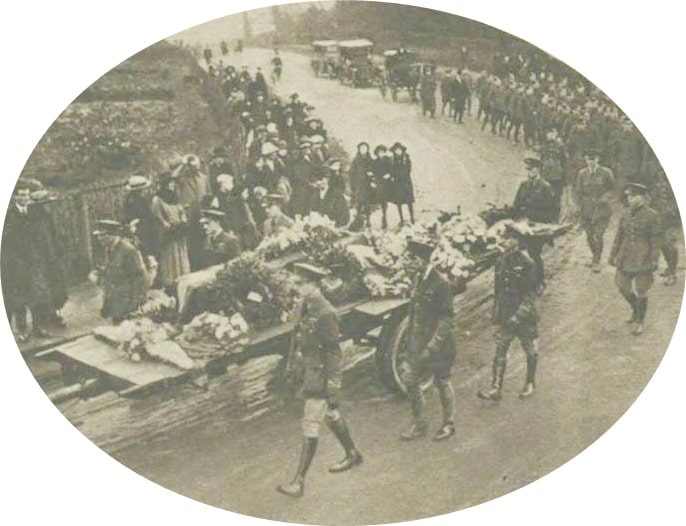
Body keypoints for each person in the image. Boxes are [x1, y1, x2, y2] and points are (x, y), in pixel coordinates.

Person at [277, 263, 363, 498]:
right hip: (309, 370)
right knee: (331, 415)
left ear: (314, 285)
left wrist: (333, 389)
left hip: (321, 376)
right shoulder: (306, 305)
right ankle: (353, 453)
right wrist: (292, 363)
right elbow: (297, 335)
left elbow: (334, 354)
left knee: (310, 423)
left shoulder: (325, 312)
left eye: (300, 283)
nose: (296, 287)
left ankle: (298, 482)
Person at [400, 240, 463, 441]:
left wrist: (432, 347)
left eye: (410, 259)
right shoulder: (419, 278)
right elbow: (414, 315)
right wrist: (410, 343)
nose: (406, 262)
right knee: (410, 380)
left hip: (439, 346)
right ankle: (420, 424)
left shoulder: (440, 283)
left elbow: (446, 320)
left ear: (420, 260)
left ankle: (448, 424)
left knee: (442, 382)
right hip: (419, 344)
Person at [478, 222, 540, 401]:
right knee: (500, 351)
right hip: (506, 315)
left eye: (507, 238)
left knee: (530, 350)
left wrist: (519, 315)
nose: (503, 241)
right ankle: (496, 388)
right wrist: (496, 314)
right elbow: (498, 292)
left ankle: (529, 383)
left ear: (517, 241)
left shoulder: (527, 263)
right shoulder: (501, 261)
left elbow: (530, 294)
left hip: (524, 316)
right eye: (503, 238)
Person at [1, 183, 60, 340]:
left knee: (37, 296)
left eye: (26, 195)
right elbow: (7, 242)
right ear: (14, 197)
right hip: (15, 264)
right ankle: (21, 330)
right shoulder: (9, 215)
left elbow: (38, 237)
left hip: (33, 262)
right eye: (21, 195)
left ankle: (38, 327)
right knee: (19, 298)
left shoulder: (33, 213)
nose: (24, 198)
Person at [609, 183, 662, 336]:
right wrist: (613, 255)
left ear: (642, 198)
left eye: (634, 196)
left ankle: (639, 321)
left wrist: (654, 259)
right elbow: (619, 236)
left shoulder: (652, 215)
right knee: (621, 285)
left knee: (641, 290)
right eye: (629, 196)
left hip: (643, 257)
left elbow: (656, 240)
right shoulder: (625, 214)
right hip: (625, 256)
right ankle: (635, 309)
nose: (630, 199)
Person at [91, 220, 154, 323]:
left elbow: (140, 279)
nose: (99, 239)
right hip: (116, 303)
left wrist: (134, 306)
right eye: (99, 236)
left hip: (128, 305)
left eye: (103, 235)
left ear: (113, 235)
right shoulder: (109, 248)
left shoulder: (128, 251)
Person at [512, 158, 557, 293]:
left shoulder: (545, 187)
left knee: (534, 254)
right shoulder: (523, 185)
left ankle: (539, 282)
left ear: (538, 170)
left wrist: (538, 221)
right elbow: (516, 204)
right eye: (528, 170)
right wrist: (518, 218)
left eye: (532, 170)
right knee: (522, 253)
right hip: (524, 226)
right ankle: (526, 282)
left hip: (538, 227)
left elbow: (552, 210)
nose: (529, 172)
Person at [574, 149, 615, 272]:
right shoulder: (582, 173)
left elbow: (613, 189)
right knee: (590, 236)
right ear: (585, 160)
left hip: (602, 210)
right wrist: (578, 207)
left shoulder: (606, 172)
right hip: (587, 211)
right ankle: (594, 256)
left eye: (593, 159)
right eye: (588, 159)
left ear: (598, 160)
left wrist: (605, 198)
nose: (590, 162)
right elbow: (577, 192)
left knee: (598, 235)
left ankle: (597, 260)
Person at [152, 172, 191, 286]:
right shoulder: (158, 199)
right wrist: (168, 225)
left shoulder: (174, 197)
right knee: (170, 255)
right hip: (168, 232)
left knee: (181, 252)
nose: (172, 185)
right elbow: (158, 216)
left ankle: (183, 277)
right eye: (169, 183)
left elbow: (181, 210)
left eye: (173, 182)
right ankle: (171, 281)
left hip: (178, 230)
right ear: (164, 184)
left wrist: (183, 221)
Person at [172, 154, 211, 270]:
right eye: (193, 165)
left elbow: (208, 194)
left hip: (201, 213)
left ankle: (203, 264)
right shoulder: (183, 178)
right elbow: (174, 176)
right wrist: (183, 163)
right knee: (190, 241)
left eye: (197, 165)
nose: (196, 167)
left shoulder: (203, 178)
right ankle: (191, 266)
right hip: (189, 214)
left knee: (202, 239)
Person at [122, 176, 158, 258]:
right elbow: (146, 217)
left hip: (134, 229)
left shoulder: (128, 200)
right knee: (146, 252)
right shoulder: (140, 201)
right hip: (143, 230)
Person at [349, 142, 374, 230]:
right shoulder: (356, 160)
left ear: (367, 150)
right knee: (359, 203)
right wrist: (353, 185)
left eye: (365, 149)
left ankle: (368, 220)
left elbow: (373, 170)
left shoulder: (370, 160)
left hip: (367, 185)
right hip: (359, 185)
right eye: (362, 149)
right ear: (359, 150)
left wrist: (371, 176)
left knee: (367, 204)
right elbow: (351, 173)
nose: (363, 150)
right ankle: (357, 221)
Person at [318, 159, 350, 228]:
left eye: (338, 165)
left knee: (341, 208)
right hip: (332, 193)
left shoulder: (340, 174)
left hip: (339, 193)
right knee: (332, 207)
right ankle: (333, 223)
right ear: (331, 166)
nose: (337, 166)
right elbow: (330, 184)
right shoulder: (330, 175)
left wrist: (341, 190)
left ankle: (341, 223)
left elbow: (343, 185)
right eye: (335, 165)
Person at [389, 142, 415, 225]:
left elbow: (408, 170)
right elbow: (392, 170)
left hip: (405, 182)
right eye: (396, 150)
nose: (398, 152)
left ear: (402, 150)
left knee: (409, 201)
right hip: (397, 183)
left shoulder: (406, 159)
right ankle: (401, 219)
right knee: (399, 202)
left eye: (399, 150)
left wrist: (399, 175)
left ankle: (412, 218)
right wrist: (393, 176)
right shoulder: (393, 160)